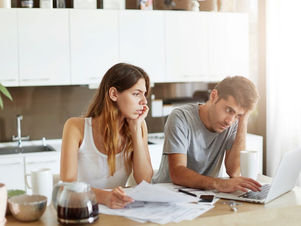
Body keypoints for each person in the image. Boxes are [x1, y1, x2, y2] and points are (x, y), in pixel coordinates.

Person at [60, 63, 153, 209]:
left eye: (144, 94)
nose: (144, 101)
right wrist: (105, 197)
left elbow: (144, 180)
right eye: (136, 93)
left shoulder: (139, 126)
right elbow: (68, 186)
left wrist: (135, 131)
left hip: (118, 211)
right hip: (84, 210)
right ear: (114, 94)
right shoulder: (75, 127)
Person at [152, 76, 262, 193]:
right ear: (214, 96)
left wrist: (243, 120)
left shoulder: (233, 124)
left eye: (237, 115)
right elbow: (177, 173)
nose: (229, 121)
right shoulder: (180, 117)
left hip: (205, 196)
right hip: (169, 195)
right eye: (229, 110)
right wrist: (219, 184)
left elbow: (234, 172)